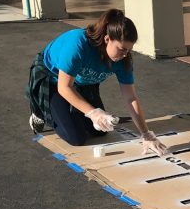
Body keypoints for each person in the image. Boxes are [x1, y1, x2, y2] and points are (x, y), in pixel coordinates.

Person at [25, 8, 168, 156]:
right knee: (76, 137)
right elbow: (64, 87)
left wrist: (146, 134)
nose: (125, 54)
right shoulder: (78, 45)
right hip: (53, 79)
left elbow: (130, 98)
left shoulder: (123, 59)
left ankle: (70, 110)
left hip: (83, 82)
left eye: (129, 50)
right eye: (122, 49)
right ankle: (39, 109)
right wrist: (92, 112)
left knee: (100, 130)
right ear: (107, 39)